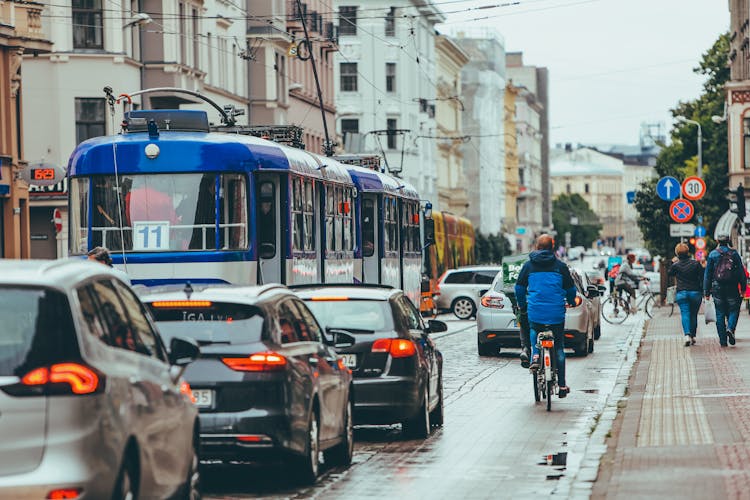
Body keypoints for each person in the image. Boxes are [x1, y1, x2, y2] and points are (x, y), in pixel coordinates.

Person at [515, 234, 577, 398]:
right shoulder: (560, 266)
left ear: (537, 246)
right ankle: (562, 386)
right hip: (556, 312)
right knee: (558, 347)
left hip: (535, 311)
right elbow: (571, 290)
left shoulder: (528, 266)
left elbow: (519, 289)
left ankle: (535, 355)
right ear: (553, 246)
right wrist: (570, 301)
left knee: (534, 330)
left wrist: (521, 305)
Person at [704, 232, 746, 346]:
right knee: (734, 309)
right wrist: (743, 288)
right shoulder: (734, 254)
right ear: (728, 241)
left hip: (717, 287)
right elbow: (741, 272)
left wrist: (706, 292)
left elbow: (707, 275)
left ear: (718, 241)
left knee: (720, 313)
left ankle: (723, 341)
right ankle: (731, 328)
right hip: (732, 286)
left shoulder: (712, 254)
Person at [668, 243, 704, 346]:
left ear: (677, 253)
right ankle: (693, 336)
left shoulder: (676, 265)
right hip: (695, 293)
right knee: (693, 315)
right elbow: (702, 276)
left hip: (682, 293)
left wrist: (672, 262)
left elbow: (670, 273)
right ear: (687, 252)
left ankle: (687, 335)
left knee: (685, 314)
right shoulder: (695, 264)